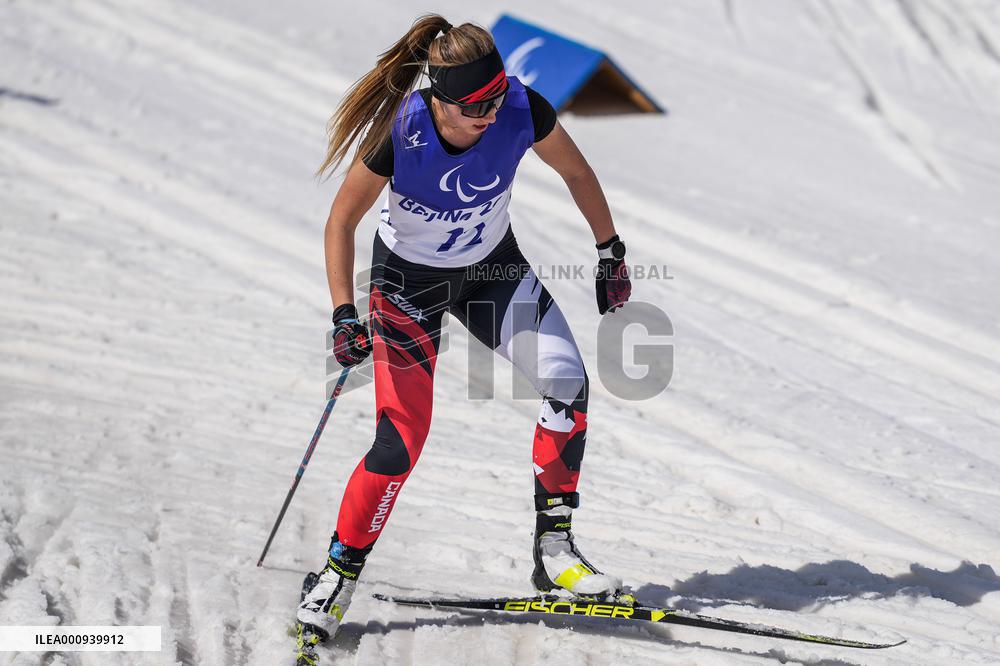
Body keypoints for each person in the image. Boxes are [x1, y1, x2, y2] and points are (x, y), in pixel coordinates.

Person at [297, 14, 632, 643]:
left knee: (567, 382)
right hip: (407, 289)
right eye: (478, 104)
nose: (493, 111)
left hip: (492, 272)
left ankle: (554, 552)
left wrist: (610, 251)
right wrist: (344, 313)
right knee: (401, 442)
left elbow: (578, 174)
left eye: (500, 93)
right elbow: (340, 223)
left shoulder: (520, 109)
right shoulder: (402, 129)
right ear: (443, 100)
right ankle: (337, 575)